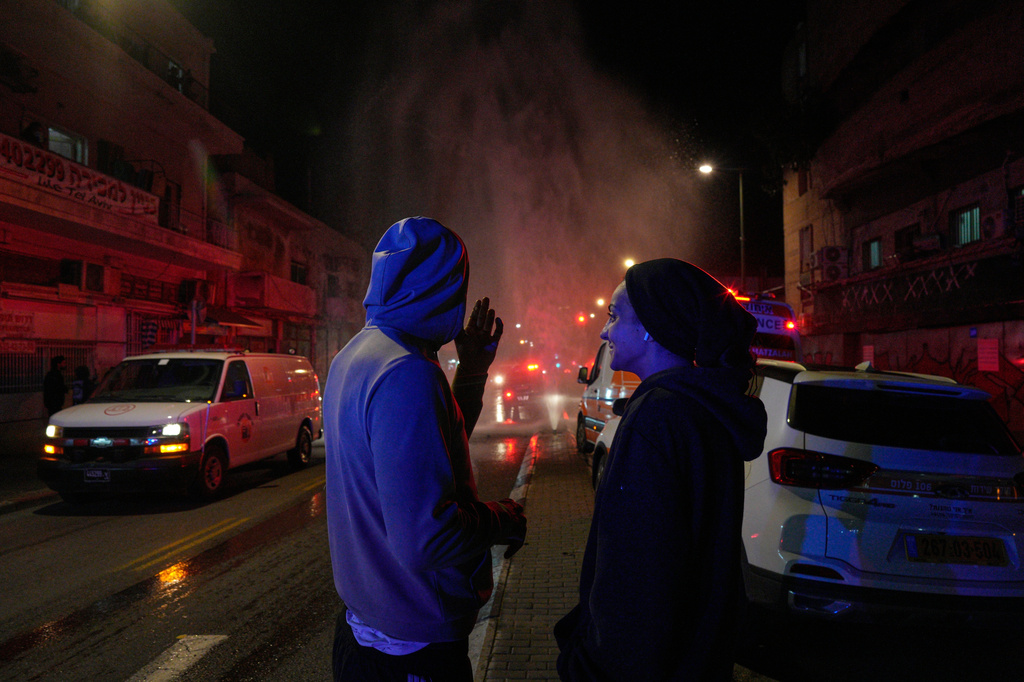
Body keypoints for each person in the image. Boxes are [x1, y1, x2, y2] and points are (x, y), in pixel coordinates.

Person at [324, 217, 527, 681]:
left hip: (367, 632)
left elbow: (425, 447)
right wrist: (504, 519)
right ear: (447, 287)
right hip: (413, 647)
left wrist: (472, 368)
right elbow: (427, 539)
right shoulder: (407, 374)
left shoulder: (357, 356)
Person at [555, 258, 768, 681]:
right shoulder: (702, 411)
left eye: (614, 316)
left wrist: (590, 666)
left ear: (652, 326)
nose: (604, 331)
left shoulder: (658, 419)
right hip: (695, 661)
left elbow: (636, 576)